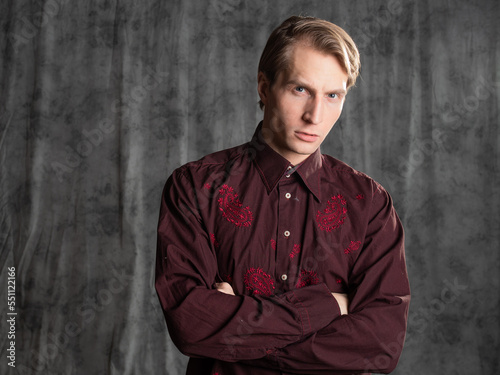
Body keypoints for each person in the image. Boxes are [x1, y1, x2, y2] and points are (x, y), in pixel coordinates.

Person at [155, 15, 410, 375]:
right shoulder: (195, 187)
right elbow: (192, 326)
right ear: (264, 87)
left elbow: (381, 347)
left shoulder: (368, 203)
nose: (315, 115)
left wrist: (241, 333)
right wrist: (331, 306)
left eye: (333, 95)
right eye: (300, 90)